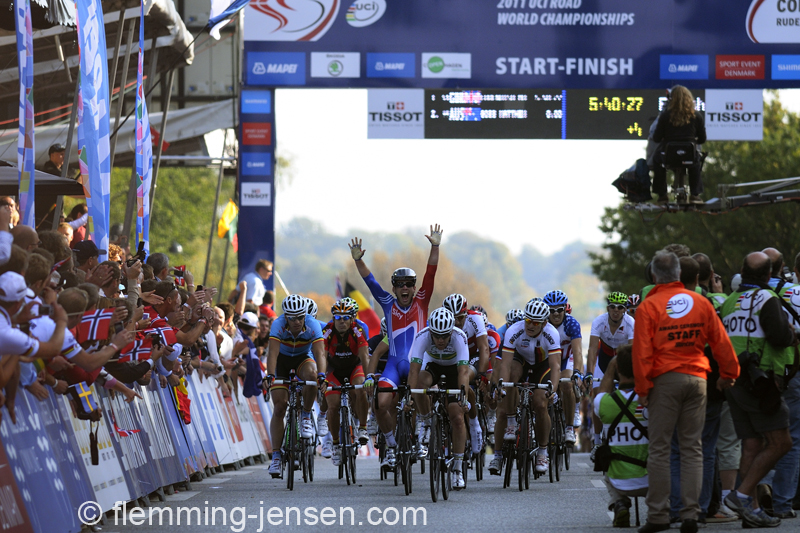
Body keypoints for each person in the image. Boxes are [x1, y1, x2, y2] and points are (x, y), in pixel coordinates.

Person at [633, 251, 738, 533]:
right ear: (680, 275)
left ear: (654, 276)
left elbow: (642, 353)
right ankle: (692, 514)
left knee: (660, 449)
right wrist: (729, 374)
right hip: (698, 379)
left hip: (664, 381)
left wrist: (642, 389)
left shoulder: (649, 306)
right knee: (693, 448)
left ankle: (658, 515)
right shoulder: (700, 302)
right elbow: (721, 341)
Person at [350, 224, 442, 468]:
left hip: (417, 363)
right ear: (393, 288)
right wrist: (359, 261)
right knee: (379, 404)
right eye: (399, 284)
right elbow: (370, 281)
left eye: (408, 284)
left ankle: (422, 434)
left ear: (414, 288)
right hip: (393, 364)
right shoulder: (388, 303)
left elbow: (431, 273)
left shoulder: (422, 302)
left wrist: (435, 246)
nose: (404, 288)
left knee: (418, 398)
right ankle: (391, 448)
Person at [720, 252, 796, 528]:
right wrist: (791, 333)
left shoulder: (729, 302)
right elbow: (779, 336)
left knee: (751, 444)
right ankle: (740, 496)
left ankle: (752, 511)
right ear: (768, 276)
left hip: (734, 381)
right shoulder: (768, 299)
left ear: (742, 271)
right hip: (761, 382)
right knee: (782, 442)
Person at [490, 299, 561, 476]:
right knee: (511, 378)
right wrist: (503, 388)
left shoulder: (551, 334)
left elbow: (556, 366)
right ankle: (512, 423)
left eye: (536, 322)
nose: (531, 325)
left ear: (545, 323)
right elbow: (505, 365)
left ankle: (543, 452)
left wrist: (553, 390)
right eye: (528, 320)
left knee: (540, 403)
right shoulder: (515, 330)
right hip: (520, 361)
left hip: (542, 366)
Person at [407, 308, 470, 490]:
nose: (441, 340)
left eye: (444, 336)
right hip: (432, 366)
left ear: (451, 331)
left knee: (457, 416)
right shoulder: (422, 336)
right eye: (437, 336)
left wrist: (463, 398)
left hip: (454, 370)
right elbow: (413, 371)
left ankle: (457, 469)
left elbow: (463, 372)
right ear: (431, 332)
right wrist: (409, 397)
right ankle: (426, 421)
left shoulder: (459, 337)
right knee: (419, 385)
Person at [265, 294, 326, 477]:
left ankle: (306, 415)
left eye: (301, 317)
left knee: (313, 375)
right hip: (281, 362)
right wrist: (269, 374)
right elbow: (273, 354)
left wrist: (322, 376)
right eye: (293, 318)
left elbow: (320, 353)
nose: (297, 321)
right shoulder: (278, 324)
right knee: (280, 407)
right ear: (286, 317)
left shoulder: (312, 324)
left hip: (302, 358)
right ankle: (276, 457)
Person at [595, 348, 649, 528]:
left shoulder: (604, 404)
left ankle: (619, 502)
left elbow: (602, 391)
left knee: (604, 453)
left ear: (618, 370)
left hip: (619, 481)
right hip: (651, 480)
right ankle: (657, 508)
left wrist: (611, 367)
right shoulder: (650, 401)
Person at [587, 291, 635, 458]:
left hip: (623, 360)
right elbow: (592, 350)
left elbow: (631, 353)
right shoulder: (599, 322)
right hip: (604, 360)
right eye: (613, 307)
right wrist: (589, 374)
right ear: (608, 308)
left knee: (629, 396)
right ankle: (597, 440)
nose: (616, 310)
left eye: (620, 307)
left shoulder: (631, 323)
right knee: (597, 397)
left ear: (625, 310)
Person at [322, 300, 369, 467]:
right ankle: (335, 444)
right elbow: (323, 356)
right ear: (333, 319)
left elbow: (364, 356)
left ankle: (362, 427)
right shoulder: (327, 330)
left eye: (345, 318)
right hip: (334, 369)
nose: (341, 321)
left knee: (361, 388)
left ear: (352, 319)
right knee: (332, 406)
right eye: (338, 318)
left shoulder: (358, 329)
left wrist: (369, 377)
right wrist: (322, 377)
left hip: (353, 367)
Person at [652, 85, 707, 204]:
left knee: (656, 160)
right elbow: (702, 139)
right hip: (689, 156)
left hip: (668, 156)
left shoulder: (665, 116)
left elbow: (656, 138)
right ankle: (695, 195)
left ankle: (662, 195)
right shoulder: (696, 116)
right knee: (696, 161)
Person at [544, 289, 583, 444]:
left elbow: (578, 352)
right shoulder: (543, 323)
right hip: (547, 361)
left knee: (567, 384)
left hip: (567, 359)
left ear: (565, 308)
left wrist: (578, 372)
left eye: (559, 310)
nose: (556, 314)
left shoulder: (571, 324)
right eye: (551, 310)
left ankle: (569, 428)